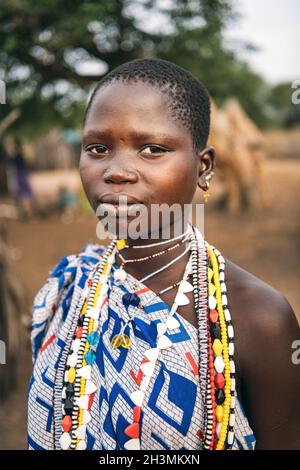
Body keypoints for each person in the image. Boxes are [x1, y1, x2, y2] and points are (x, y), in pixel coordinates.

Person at [27, 58, 300, 451]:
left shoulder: (259, 319)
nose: (117, 171)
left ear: (203, 167)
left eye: (152, 149)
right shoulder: (68, 288)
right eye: (98, 148)